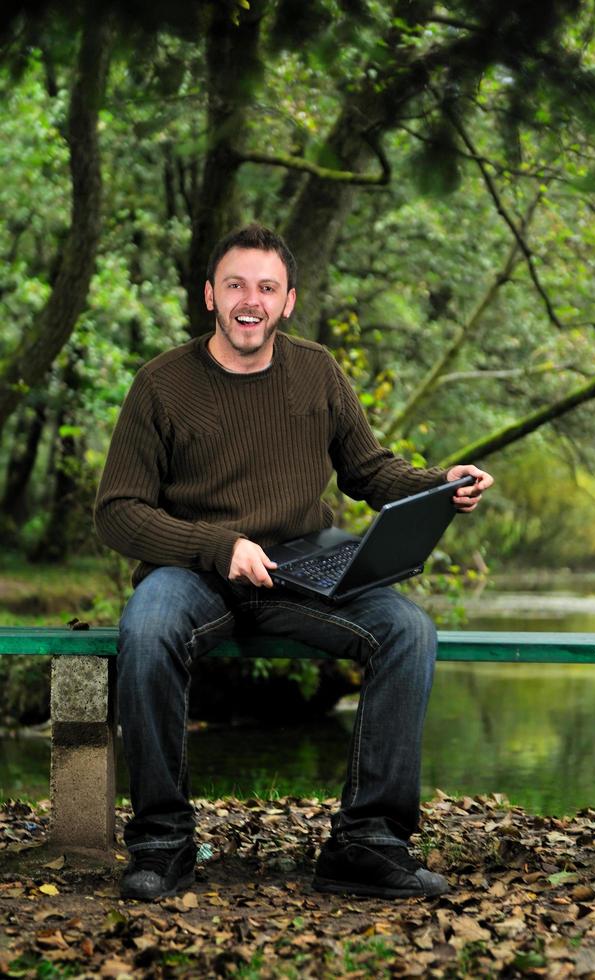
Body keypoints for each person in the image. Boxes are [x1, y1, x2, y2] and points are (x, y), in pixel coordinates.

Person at [95, 223, 493, 902]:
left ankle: (366, 843)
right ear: (209, 296)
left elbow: (367, 471)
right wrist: (217, 545)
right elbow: (118, 511)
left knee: (407, 630)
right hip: (194, 570)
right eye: (236, 286)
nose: (251, 301)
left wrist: (438, 482)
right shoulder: (161, 384)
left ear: (287, 301)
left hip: (304, 567)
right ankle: (162, 843)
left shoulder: (316, 372)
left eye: (266, 288)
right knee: (146, 628)